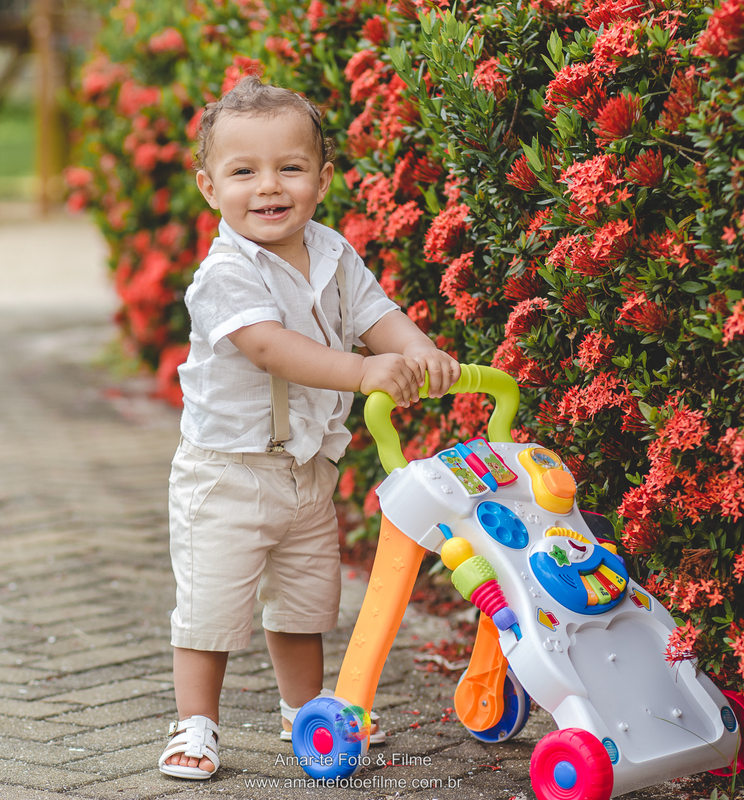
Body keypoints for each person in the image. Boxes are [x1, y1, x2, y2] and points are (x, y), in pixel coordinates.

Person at [157, 76, 461, 780]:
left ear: (322, 178)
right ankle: (196, 723)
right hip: (227, 472)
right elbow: (268, 346)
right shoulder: (224, 274)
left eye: (289, 168)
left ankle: (306, 711)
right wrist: (362, 373)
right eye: (244, 172)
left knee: (305, 600)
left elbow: (374, 313)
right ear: (210, 188)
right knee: (213, 603)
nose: (269, 187)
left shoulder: (331, 252)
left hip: (307, 471)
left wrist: (414, 349)